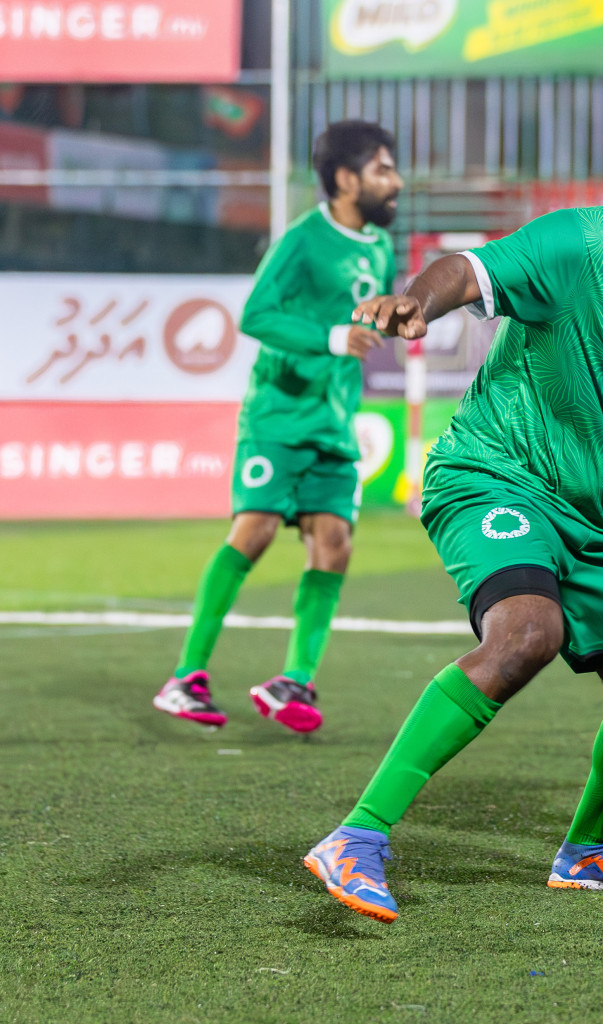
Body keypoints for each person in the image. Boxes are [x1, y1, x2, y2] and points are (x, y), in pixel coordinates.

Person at [301, 100, 603, 922]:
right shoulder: (585, 242)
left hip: (599, 521)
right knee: (528, 633)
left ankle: (593, 850)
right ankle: (357, 835)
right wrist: (420, 302)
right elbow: (470, 269)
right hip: (497, 474)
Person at [152, 121, 401, 734]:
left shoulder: (379, 247)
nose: (395, 182)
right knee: (255, 530)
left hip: (334, 423)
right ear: (346, 179)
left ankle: (296, 679)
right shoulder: (303, 239)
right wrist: (329, 337)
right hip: (279, 417)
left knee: (335, 544)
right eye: (382, 170)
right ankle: (186, 677)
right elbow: (256, 313)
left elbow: (369, 320)